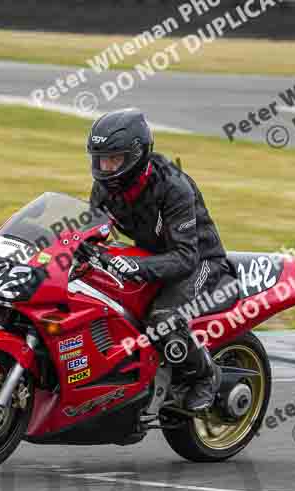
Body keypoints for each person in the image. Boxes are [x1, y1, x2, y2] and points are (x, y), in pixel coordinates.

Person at [85, 108, 238, 411]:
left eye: (114, 159)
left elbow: (185, 256)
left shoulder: (172, 187)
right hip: (154, 258)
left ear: (136, 156)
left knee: (162, 319)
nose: (106, 167)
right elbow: (93, 232)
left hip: (200, 262)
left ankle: (205, 377)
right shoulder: (104, 189)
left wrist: (138, 267)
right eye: (100, 159)